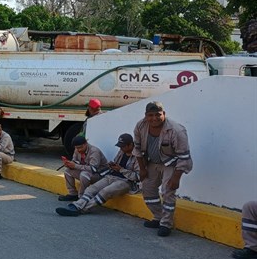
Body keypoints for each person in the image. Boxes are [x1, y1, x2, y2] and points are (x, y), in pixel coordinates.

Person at [133, 101, 192, 237]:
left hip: (171, 164)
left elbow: (184, 157)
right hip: (152, 162)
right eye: (150, 115)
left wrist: (176, 178)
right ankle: (158, 217)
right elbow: (137, 148)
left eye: (158, 114)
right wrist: (142, 169)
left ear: (164, 114)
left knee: (168, 191)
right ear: (146, 116)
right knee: (146, 187)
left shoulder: (177, 130)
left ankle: (166, 224)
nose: (154, 118)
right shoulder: (140, 126)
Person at [56, 133, 140, 216]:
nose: (121, 148)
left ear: (130, 145)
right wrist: (113, 165)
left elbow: (137, 176)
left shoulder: (138, 156)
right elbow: (116, 163)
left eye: (123, 146)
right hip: (111, 176)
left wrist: (121, 170)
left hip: (126, 181)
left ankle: (83, 209)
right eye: (120, 146)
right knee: (91, 189)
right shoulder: (121, 152)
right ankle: (76, 205)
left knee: (105, 192)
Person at [58, 135, 107, 201]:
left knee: (84, 174)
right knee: (67, 171)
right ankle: (73, 194)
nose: (79, 150)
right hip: (87, 172)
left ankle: (81, 197)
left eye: (80, 147)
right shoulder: (77, 150)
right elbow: (75, 161)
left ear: (85, 144)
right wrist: (69, 164)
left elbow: (93, 169)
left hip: (99, 175)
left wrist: (75, 166)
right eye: (77, 148)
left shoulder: (94, 151)